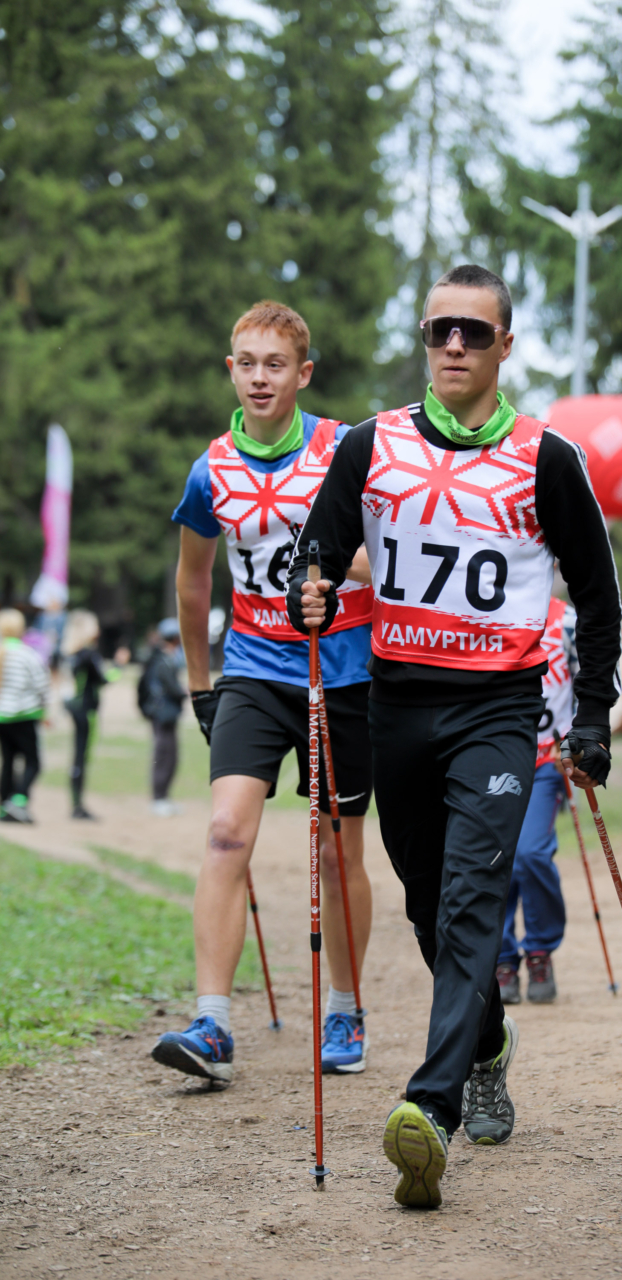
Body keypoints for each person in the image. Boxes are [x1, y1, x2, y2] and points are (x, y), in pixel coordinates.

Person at [287, 264, 622, 1208]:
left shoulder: (545, 456)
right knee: (428, 907)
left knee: (478, 893)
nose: (455, 348)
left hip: (496, 710)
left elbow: (596, 599)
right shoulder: (370, 445)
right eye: (441, 331)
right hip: (397, 705)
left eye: (475, 334)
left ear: (505, 346)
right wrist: (307, 592)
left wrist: (590, 713)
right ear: (424, 339)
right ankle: (483, 1046)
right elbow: (313, 554)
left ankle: (428, 1106)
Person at [151, 300, 375, 1085]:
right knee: (224, 834)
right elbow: (192, 580)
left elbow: (388, 562)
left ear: (302, 373)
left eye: (274, 364)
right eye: (245, 363)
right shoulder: (212, 467)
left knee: (332, 845)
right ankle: (211, 1024)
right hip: (251, 670)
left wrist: (330, 564)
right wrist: (199, 684)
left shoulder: (344, 449)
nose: (258, 377)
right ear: (229, 370)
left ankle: (344, 1006)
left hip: (340, 673)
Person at [497, 595, 577, 1006]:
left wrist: (583, 737)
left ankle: (541, 950)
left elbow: (590, 680)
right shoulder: (483, 604)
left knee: (530, 853)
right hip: (492, 754)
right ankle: (503, 958)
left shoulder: (566, 620)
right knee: (497, 856)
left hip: (547, 759)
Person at [61, 610, 128, 820]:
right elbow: (105, 679)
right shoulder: (89, 654)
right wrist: (119, 665)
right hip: (86, 710)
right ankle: (77, 806)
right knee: (81, 757)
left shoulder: (72, 653)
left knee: (77, 756)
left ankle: (76, 803)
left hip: (75, 708)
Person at [0, 608, 50, 824]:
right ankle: (18, 801)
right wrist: (45, 710)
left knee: (9, 761)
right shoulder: (26, 653)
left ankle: (4, 804)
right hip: (24, 714)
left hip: (2, 716)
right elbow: (42, 685)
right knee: (33, 762)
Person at [138, 618, 187, 816]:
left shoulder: (166, 657)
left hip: (168, 715)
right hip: (162, 715)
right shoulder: (163, 659)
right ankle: (158, 798)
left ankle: (164, 797)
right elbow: (172, 688)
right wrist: (188, 692)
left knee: (171, 756)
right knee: (163, 756)